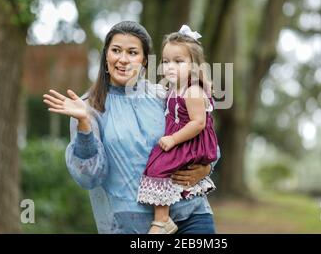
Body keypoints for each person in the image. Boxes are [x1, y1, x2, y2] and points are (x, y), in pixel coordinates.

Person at [42, 21, 219, 233]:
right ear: (106, 56)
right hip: (132, 224)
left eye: (132, 52)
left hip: (191, 215)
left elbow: (205, 138)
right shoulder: (88, 107)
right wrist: (84, 125)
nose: (123, 59)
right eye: (116, 50)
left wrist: (205, 168)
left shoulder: (163, 95)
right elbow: (89, 176)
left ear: (144, 60)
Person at [137, 25, 218, 234]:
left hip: (190, 142)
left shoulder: (192, 90)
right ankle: (163, 218)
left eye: (178, 61)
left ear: (194, 66)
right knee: (158, 165)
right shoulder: (173, 88)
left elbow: (198, 123)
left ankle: (162, 220)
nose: (170, 67)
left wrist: (173, 139)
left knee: (159, 166)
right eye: (165, 62)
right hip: (184, 139)